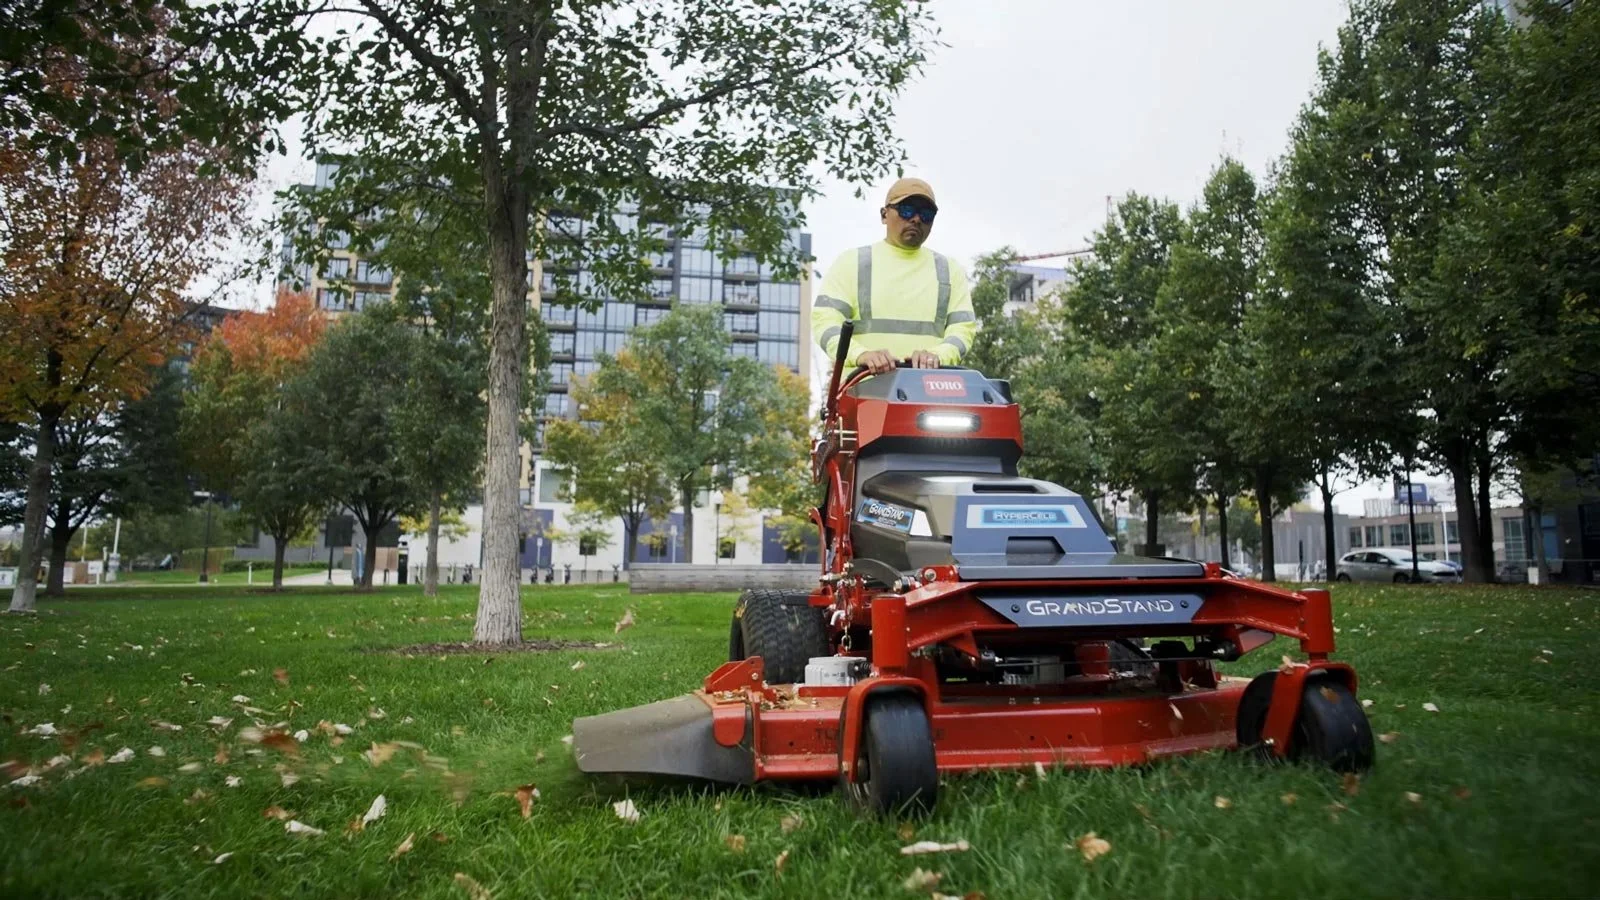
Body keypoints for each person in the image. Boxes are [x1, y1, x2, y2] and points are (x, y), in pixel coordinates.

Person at [812, 177, 977, 373]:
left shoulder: (949, 270)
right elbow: (825, 321)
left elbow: (963, 329)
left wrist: (939, 355)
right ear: (884, 215)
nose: (916, 219)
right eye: (906, 210)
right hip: (862, 393)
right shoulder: (852, 263)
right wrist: (861, 355)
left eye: (926, 214)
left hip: (928, 393)